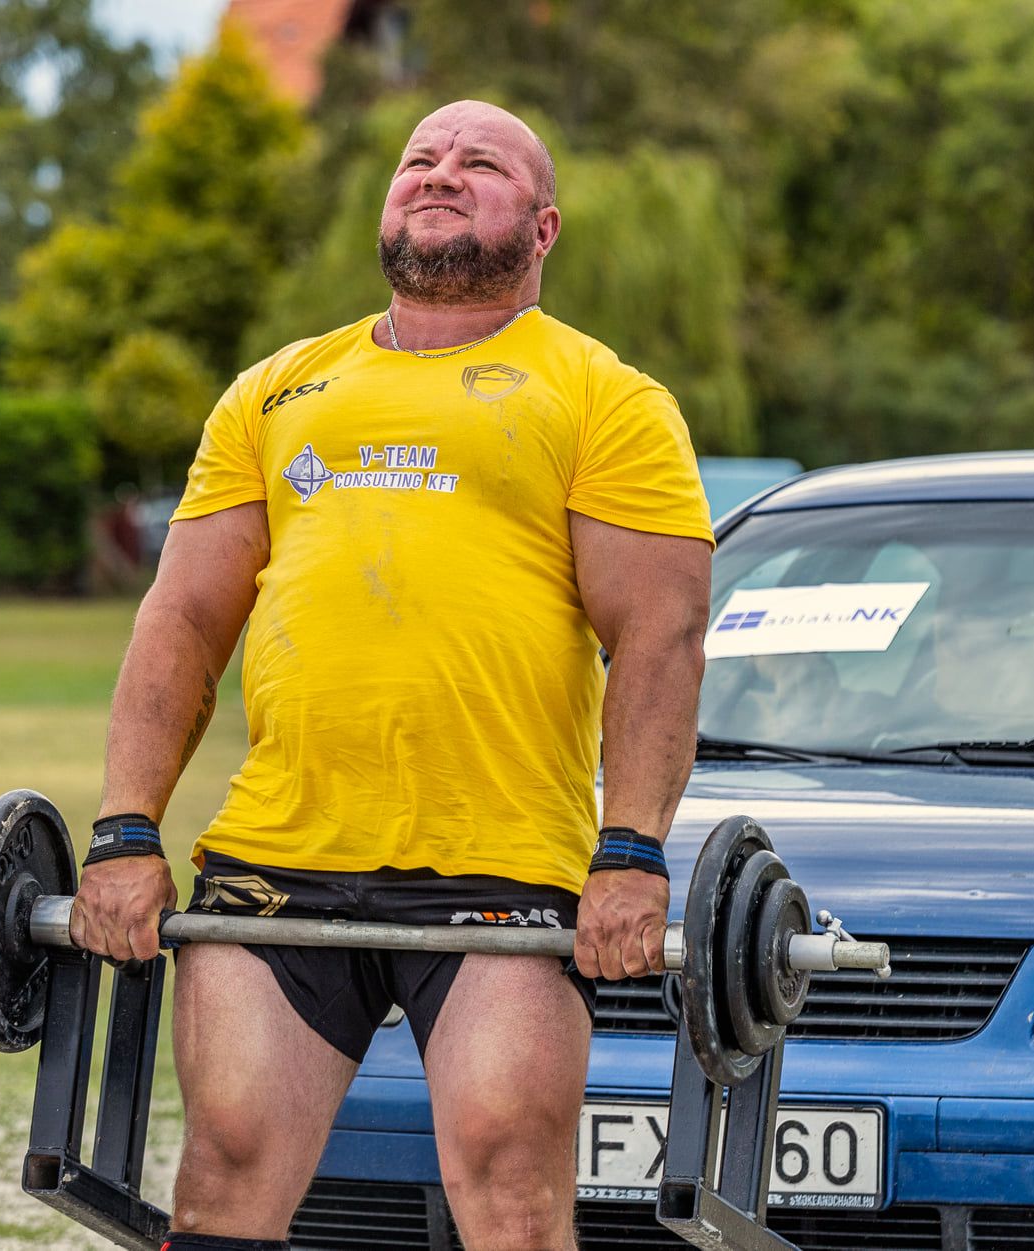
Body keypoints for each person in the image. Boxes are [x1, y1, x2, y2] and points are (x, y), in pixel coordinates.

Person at [66, 100, 714, 1251]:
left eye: (481, 162)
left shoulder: (606, 397)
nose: (440, 172)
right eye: (420, 158)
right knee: (225, 1177)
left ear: (544, 227)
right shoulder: (276, 390)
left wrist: (632, 852)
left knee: (509, 1191)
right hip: (281, 857)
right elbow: (183, 620)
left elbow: (660, 635)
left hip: (503, 866)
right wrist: (124, 829)